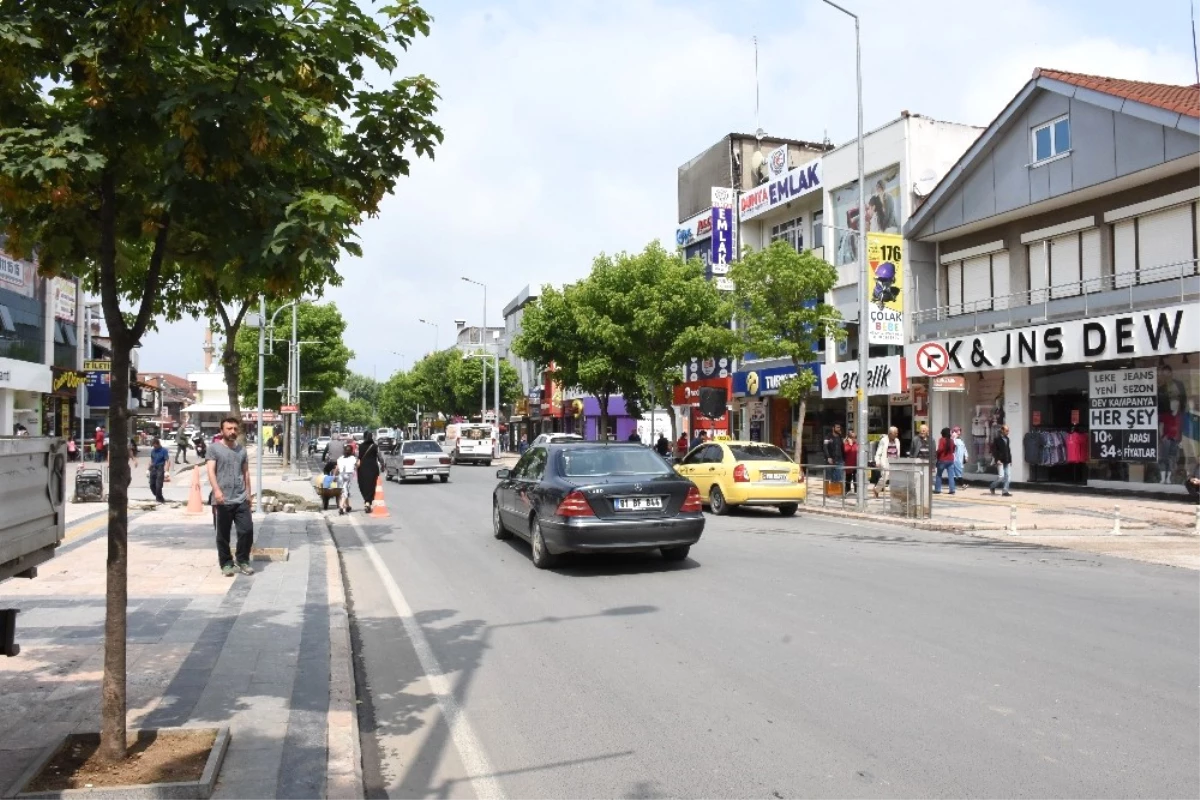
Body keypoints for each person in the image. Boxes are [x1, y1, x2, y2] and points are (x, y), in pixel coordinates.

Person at [207, 417, 255, 578]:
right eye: (229, 428)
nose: (232, 431)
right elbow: (210, 471)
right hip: (222, 499)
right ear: (222, 431)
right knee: (223, 534)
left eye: (235, 428)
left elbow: (246, 472)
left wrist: (249, 493)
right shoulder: (214, 449)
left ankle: (242, 560)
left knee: (247, 530)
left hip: (241, 497)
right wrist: (217, 491)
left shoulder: (241, 450)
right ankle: (226, 563)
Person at [356, 431, 383, 513]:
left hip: (362, 469)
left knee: (363, 485)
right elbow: (379, 457)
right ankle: (368, 502)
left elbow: (358, 457)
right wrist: (382, 464)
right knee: (371, 485)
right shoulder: (375, 446)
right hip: (372, 468)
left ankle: (367, 501)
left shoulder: (360, 446)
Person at [873, 426, 901, 497]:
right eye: (895, 433)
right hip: (886, 461)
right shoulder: (883, 440)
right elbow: (878, 452)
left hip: (895, 461)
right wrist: (877, 461)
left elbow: (898, 451)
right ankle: (876, 489)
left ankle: (895, 494)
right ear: (890, 433)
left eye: (897, 433)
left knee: (896, 478)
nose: (896, 435)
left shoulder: (897, 440)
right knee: (885, 476)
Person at [989, 424, 1013, 497]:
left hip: (1007, 460)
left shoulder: (1007, 439)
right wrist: (997, 459)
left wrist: (1010, 459)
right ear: (1002, 431)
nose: (1008, 432)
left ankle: (1005, 491)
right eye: (1006, 431)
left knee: (1008, 476)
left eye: (1008, 431)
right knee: (1001, 477)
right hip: (1000, 460)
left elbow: (1008, 450)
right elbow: (994, 451)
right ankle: (992, 486)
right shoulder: (997, 439)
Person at [933, 427, 956, 494]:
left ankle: (937, 489)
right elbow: (954, 449)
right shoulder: (951, 441)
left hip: (942, 460)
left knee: (939, 475)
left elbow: (940, 449)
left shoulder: (942, 440)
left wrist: (936, 453)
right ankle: (952, 490)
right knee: (951, 476)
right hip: (950, 460)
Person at [336, 443, 357, 515]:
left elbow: (337, 468)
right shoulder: (353, 458)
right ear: (351, 452)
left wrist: (333, 476)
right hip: (348, 475)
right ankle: (341, 507)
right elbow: (357, 465)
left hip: (340, 475)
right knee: (345, 491)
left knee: (344, 490)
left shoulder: (340, 458)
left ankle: (347, 506)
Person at [148, 438, 170, 503]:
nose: (154, 447)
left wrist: (166, 471)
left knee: (158, 486)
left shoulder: (164, 450)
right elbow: (151, 460)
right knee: (152, 485)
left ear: (157, 444)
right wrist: (148, 469)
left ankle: (159, 499)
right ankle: (160, 497)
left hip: (160, 468)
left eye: (154, 445)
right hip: (153, 468)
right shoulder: (153, 451)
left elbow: (167, 461)